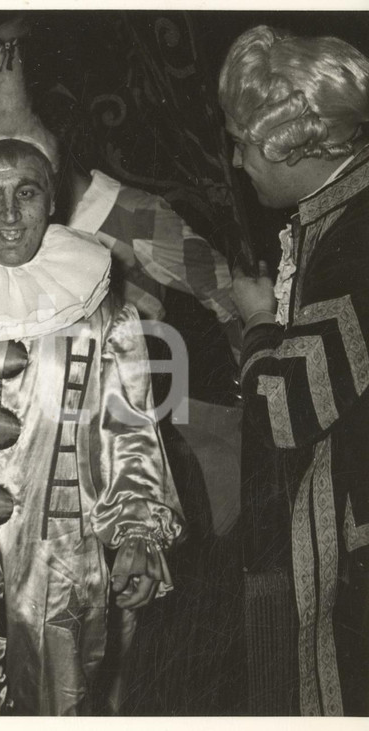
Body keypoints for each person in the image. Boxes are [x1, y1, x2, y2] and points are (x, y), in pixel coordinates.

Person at [0, 23, 184, 715]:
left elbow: (131, 440)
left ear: (51, 201)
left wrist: (137, 535)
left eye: (26, 191)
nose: (7, 210)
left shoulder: (102, 312)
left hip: (61, 558)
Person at [221, 26, 369, 716]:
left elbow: (286, 408)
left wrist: (257, 324)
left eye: (244, 143)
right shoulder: (340, 214)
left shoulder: (354, 243)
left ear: (288, 146)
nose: (237, 159)